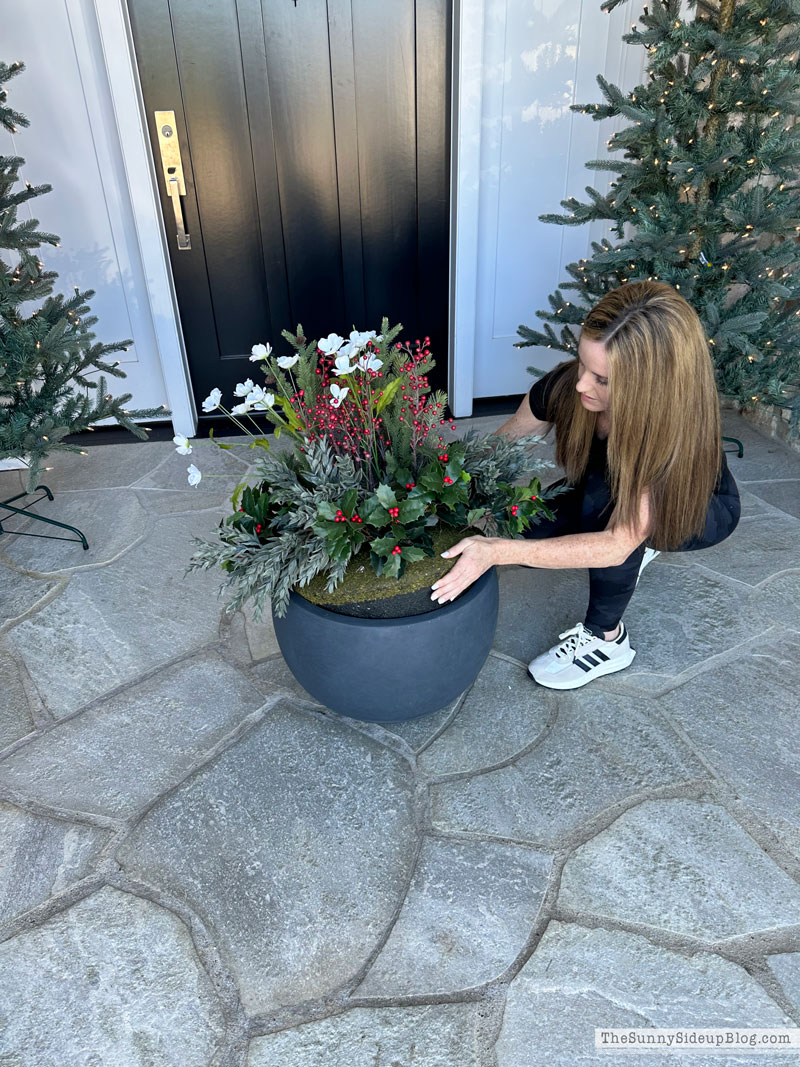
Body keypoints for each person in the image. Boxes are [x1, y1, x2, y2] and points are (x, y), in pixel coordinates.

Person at [430, 281, 741, 690]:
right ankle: (636, 537)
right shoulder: (568, 387)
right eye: (582, 363)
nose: (581, 385)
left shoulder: (668, 437)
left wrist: (495, 551)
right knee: (529, 534)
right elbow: (500, 447)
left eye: (603, 380)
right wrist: (439, 485)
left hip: (697, 508)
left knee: (611, 529)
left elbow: (613, 544)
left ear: (651, 389)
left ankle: (607, 640)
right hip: (605, 485)